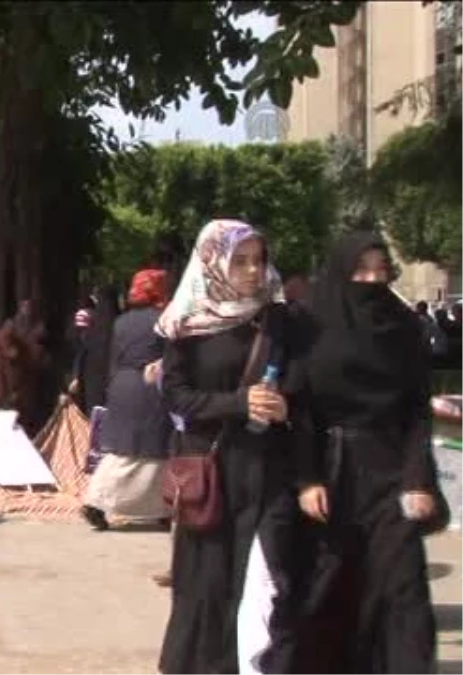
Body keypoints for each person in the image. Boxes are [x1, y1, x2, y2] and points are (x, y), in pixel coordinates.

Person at [155, 219, 303, 674]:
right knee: (208, 577)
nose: (254, 271)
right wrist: (238, 403)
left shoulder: (277, 319)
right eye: (241, 261)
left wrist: (286, 406)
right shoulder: (187, 323)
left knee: (263, 577)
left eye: (259, 259)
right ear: (212, 261)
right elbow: (176, 394)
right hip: (211, 466)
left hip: (267, 466)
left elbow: (303, 382)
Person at [293, 232, 439, 673]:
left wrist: (418, 479)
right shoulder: (310, 326)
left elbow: (417, 409)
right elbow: (300, 408)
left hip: (390, 466)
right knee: (328, 581)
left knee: (403, 582)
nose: (373, 278)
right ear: (341, 272)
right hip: (330, 466)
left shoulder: (403, 327)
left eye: (381, 269)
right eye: (361, 269)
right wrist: (307, 478)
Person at [82, 269, 172, 532]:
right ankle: (98, 501)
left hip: (122, 385)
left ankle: (159, 508)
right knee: (153, 450)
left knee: (123, 448)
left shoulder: (122, 321)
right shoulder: (165, 320)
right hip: (150, 385)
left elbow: (115, 359)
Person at [0, 307, 52, 440]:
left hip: (18, 393)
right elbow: (11, 357)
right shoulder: (11, 338)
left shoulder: (26, 341)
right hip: (8, 394)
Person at [70, 285, 121, 416]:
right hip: (116, 379)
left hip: (92, 379)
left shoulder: (93, 323)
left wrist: (76, 375)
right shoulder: (122, 323)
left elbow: (82, 350)